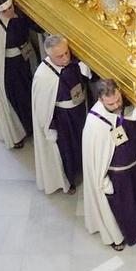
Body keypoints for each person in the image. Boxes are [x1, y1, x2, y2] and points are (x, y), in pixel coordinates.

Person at [80, 78, 136, 251]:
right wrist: (103, 181)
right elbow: (95, 157)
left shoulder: (125, 105)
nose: (117, 105)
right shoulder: (95, 124)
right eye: (111, 103)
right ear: (100, 100)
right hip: (118, 175)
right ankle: (132, 235)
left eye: (118, 100)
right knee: (126, 207)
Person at [30, 35, 89, 194]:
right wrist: (50, 128)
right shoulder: (44, 76)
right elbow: (43, 108)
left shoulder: (74, 62)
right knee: (68, 150)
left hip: (80, 110)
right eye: (59, 56)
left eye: (66, 53)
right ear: (49, 55)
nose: (65, 58)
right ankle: (69, 180)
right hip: (64, 119)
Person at [0, 0, 33, 149]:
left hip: (25, 62)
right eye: (4, 11)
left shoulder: (18, 16)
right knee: (19, 99)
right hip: (11, 70)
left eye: (10, 8)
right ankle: (21, 130)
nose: (9, 12)